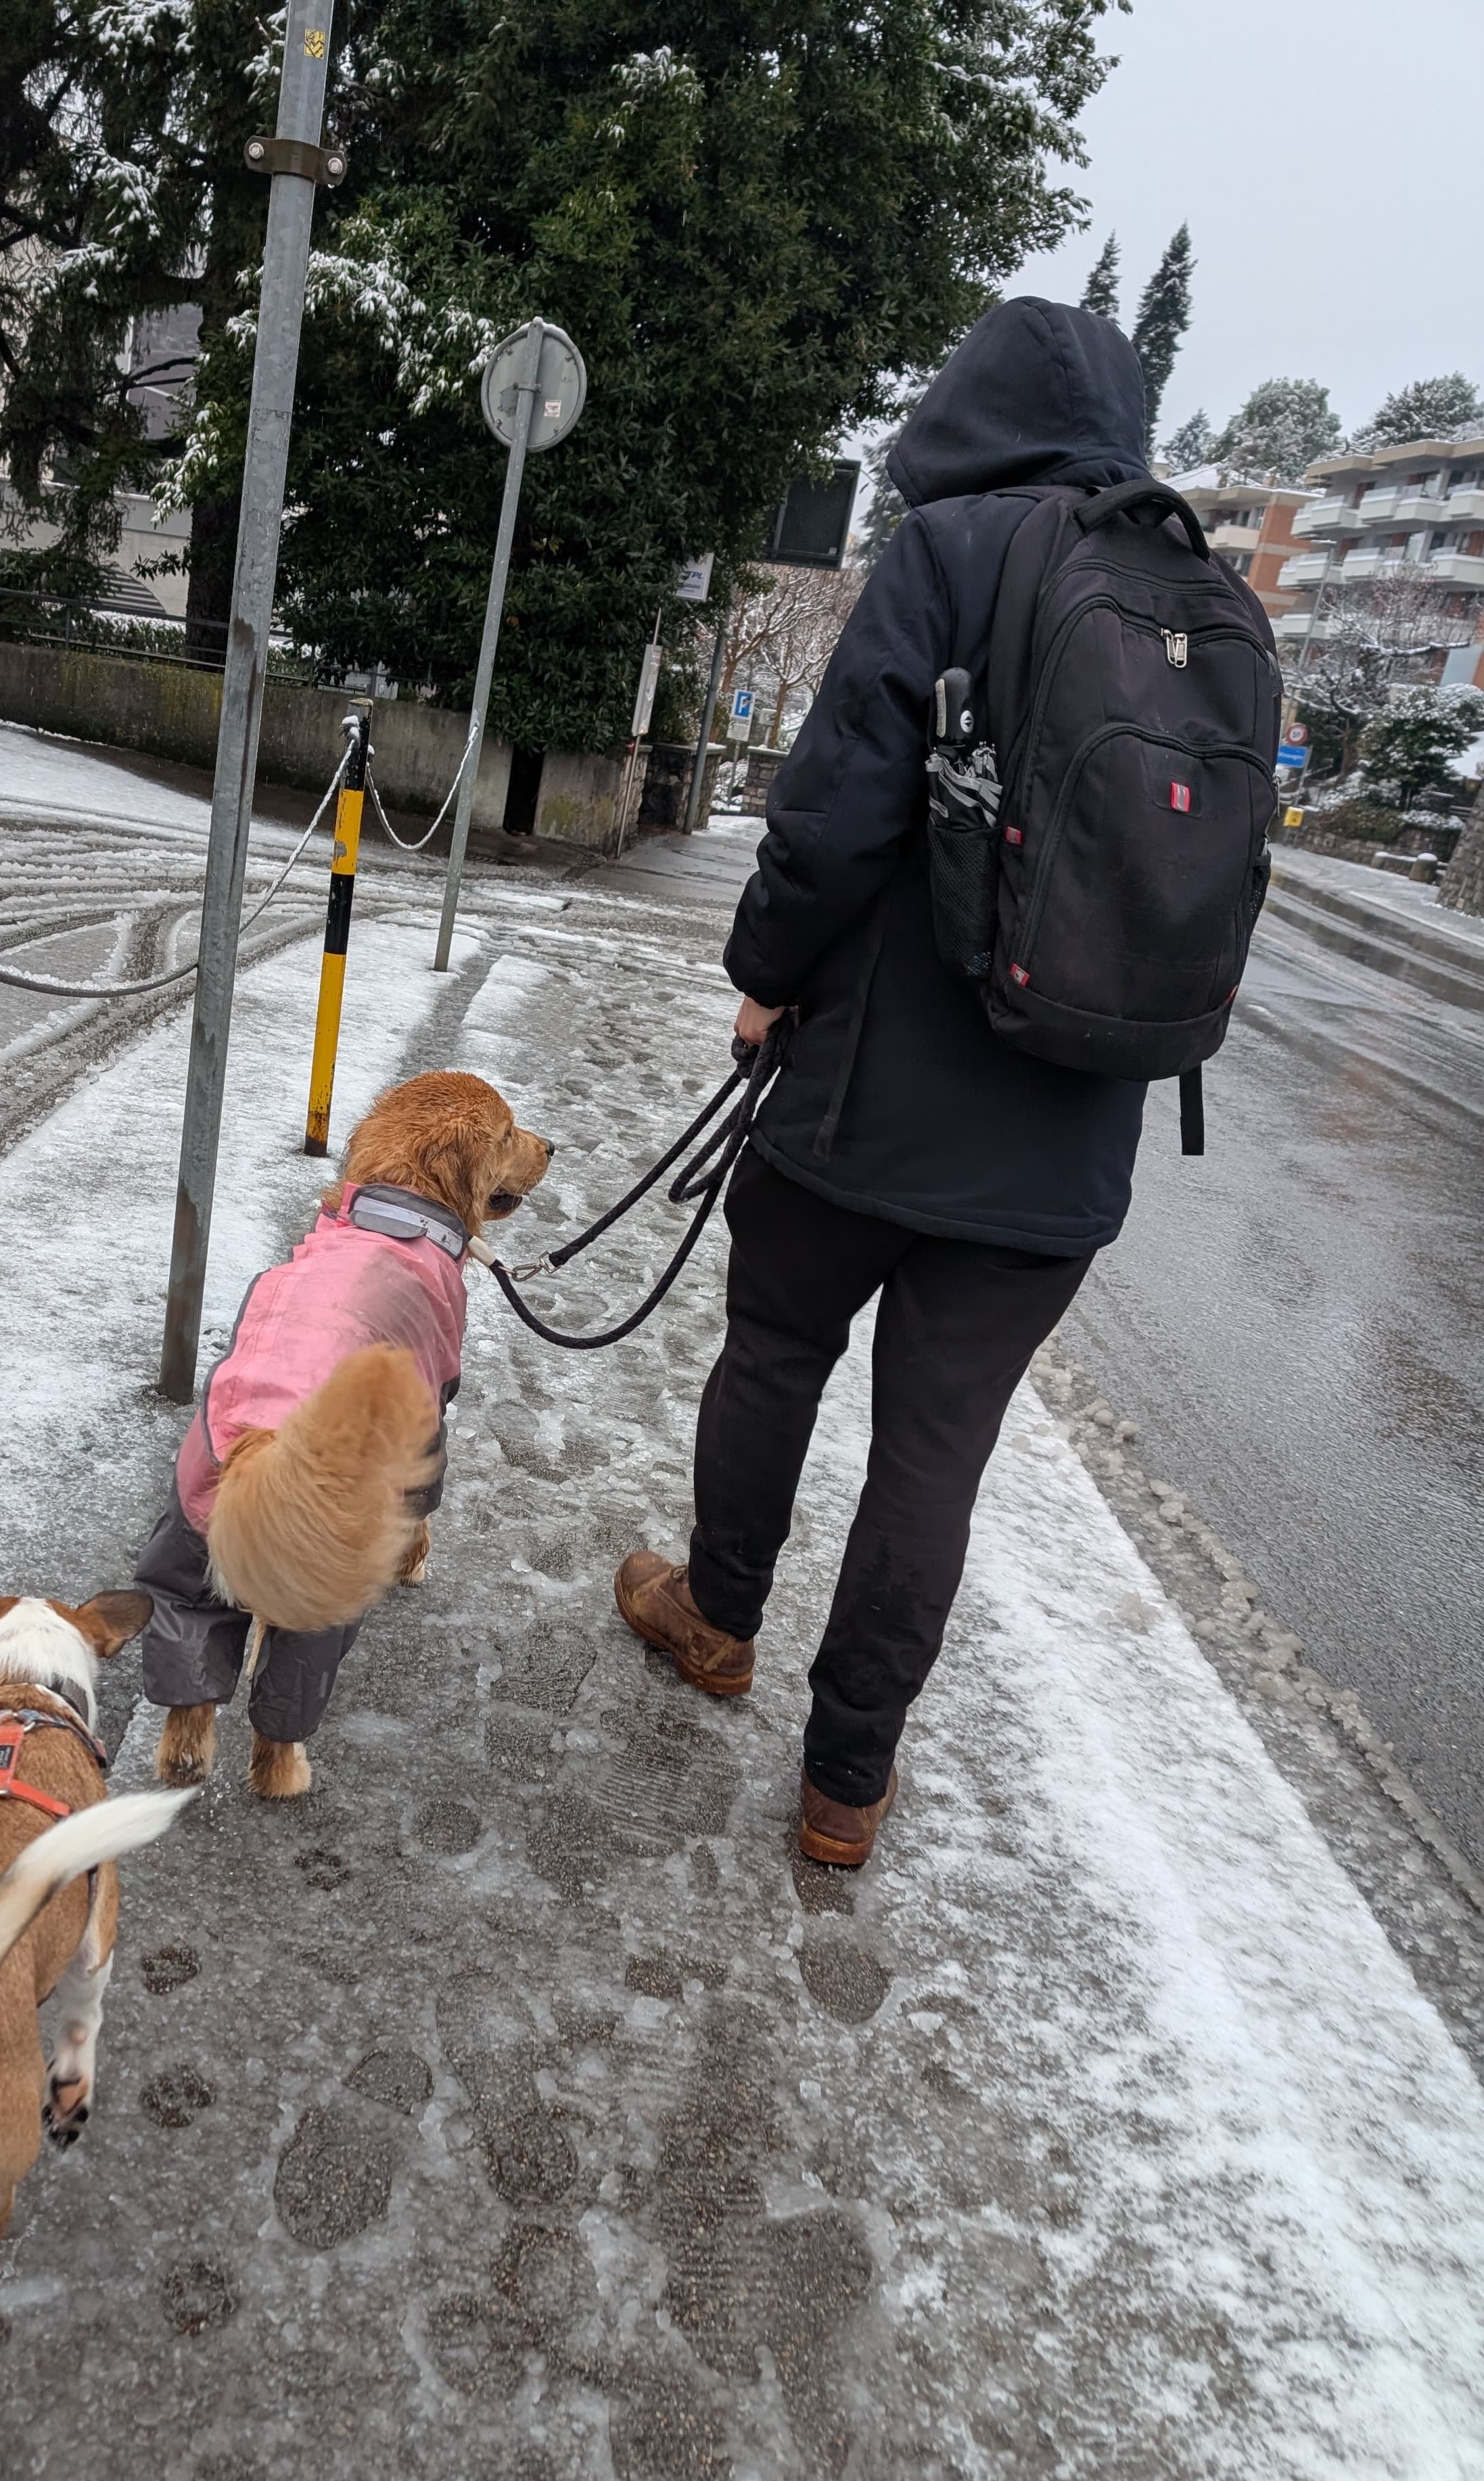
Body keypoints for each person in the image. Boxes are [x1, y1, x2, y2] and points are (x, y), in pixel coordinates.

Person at [616, 296, 1157, 1870]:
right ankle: (843, 1785)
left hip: (865, 1099)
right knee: (934, 1452)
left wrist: (762, 974)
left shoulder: (949, 552)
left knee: (775, 1350)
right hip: (1060, 1140)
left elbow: (831, 813)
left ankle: (712, 1620)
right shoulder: (1181, 590)